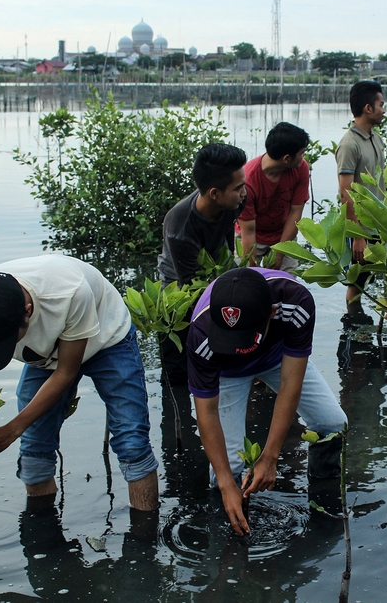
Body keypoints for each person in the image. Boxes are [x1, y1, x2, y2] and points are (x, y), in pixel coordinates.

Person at [0, 255, 160, 528]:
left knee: (132, 442)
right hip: (44, 353)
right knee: (34, 449)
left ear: (27, 311)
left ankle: (145, 542)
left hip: (106, 337)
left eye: (2, 342)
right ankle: (43, 536)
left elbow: (66, 372)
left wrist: (11, 431)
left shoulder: (69, 293)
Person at [186, 267, 348, 535]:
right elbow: (207, 411)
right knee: (228, 466)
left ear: (272, 312)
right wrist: (227, 484)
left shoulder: (296, 303)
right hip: (227, 371)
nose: (240, 347)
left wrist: (270, 456)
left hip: (277, 357)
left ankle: (324, 505)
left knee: (333, 423)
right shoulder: (201, 333)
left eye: (245, 336)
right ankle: (230, 533)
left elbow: (290, 383)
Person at [156, 143, 248, 384]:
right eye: (238, 188)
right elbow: (191, 287)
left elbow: (228, 238)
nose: (244, 193)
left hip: (214, 274)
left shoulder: (235, 201)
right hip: (179, 293)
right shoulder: (181, 227)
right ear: (214, 193)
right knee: (176, 373)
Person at [335, 80, 386, 305]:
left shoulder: (376, 138)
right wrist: (357, 235)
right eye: (381, 104)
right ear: (368, 108)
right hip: (361, 227)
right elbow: (346, 192)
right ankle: (353, 326)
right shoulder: (349, 144)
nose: (384, 110)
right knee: (357, 282)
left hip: (379, 224)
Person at [238, 122, 311, 271]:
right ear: (286, 159)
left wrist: (279, 256)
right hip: (251, 238)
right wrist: (253, 272)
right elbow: (249, 231)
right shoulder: (248, 180)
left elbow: (295, 213)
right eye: (301, 153)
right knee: (248, 281)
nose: (303, 157)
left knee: (287, 286)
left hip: (283, 235)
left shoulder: (301, 168)